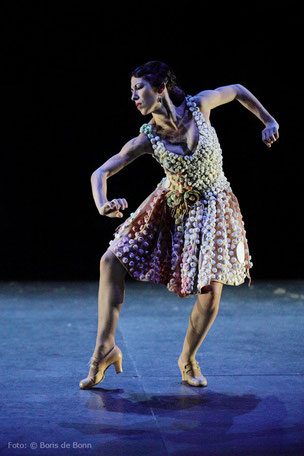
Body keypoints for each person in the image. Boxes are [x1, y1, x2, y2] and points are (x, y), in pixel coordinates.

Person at [79, 61, 279, 389]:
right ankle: (104, 349)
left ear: (160, 88)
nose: (133, 97)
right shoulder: (147, 139)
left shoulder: (200, 105)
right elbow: (100, 173)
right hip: (171, 203)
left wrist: (268, 120)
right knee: (110, 261)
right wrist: (103, 203)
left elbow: (239, 91)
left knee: (211, 293)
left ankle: (187, 358)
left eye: (138, 88)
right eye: (131, 92)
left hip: (213, 204)